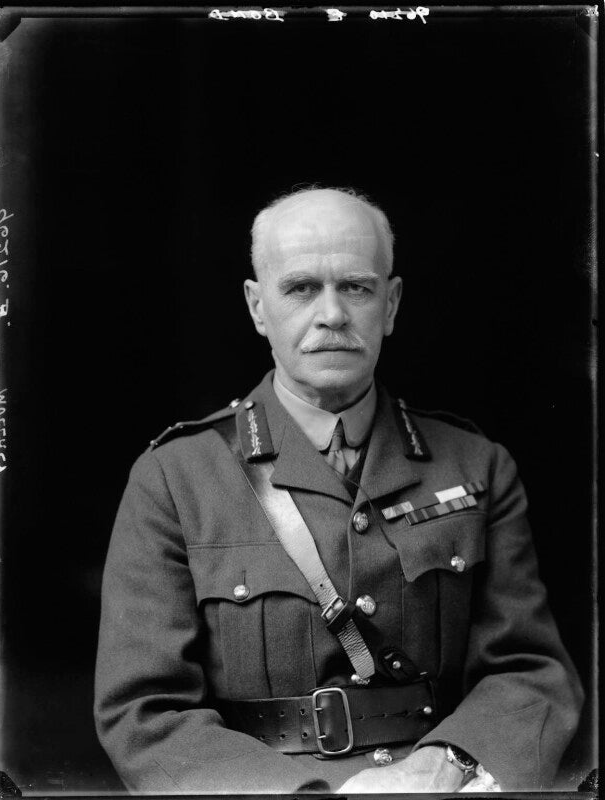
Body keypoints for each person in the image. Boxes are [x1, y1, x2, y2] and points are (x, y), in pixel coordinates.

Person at [94, 187, 583, 794]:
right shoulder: (175, 478)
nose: (332, 314)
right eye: (301, 289)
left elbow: (530, 671)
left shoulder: (477, 464)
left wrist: (444, 766)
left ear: (391, 304)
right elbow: (145, 714)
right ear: (257, 307)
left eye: (356, 287)